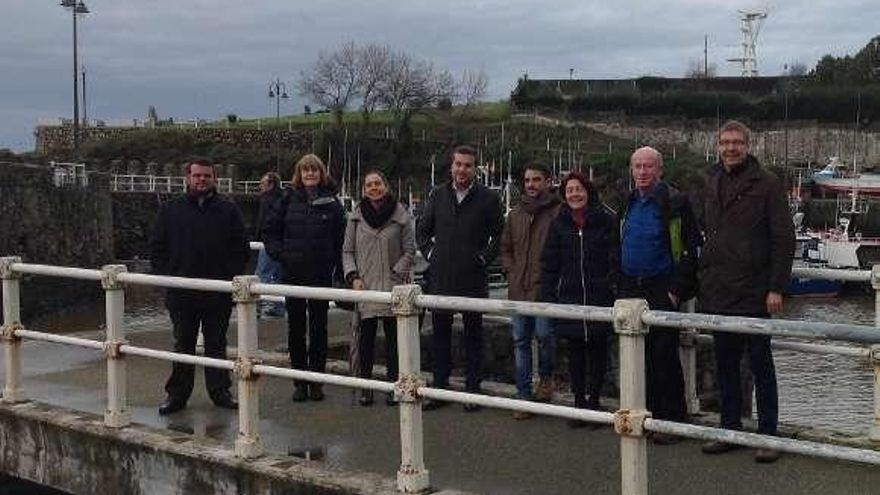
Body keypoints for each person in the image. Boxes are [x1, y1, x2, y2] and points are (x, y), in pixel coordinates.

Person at [699, 120, 795, 463]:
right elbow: (708, 232)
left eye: (737, 142)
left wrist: (776, 287)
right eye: (725, 142)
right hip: (720, 289)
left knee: (760, 365)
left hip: (756, 291)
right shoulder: (711, 179)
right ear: (718, 144)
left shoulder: (767, 183)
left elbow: (784, 238)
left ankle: (769, 436)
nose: (730, 148)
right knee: (724, 365)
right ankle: (730, 430)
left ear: (748, 145)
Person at [150, 158, 248, 415]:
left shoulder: (228, 210)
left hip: (217, 292)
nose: (201, 180)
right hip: (181, 292)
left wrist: (228, 277)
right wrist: (168, 277)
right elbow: (157, 248)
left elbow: (241, 247)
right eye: (197, 175)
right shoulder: (170, 210)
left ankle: (220, 392)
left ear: (214, 178)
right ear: (187, 177)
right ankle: (177, 395)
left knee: (217, 343)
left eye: (206, 176)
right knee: (183, 343)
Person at [618, 146, 702, 444]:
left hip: (662, 286)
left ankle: (672, 421)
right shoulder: (628, 200)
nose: (642, 172)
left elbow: (692, 248)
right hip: (632, 286)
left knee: (664, 355)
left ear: (660, 170)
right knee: (639, 357)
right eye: (637, 166)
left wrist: (676, 291)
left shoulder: (675, 201)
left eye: (648, 167)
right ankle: (649, 416)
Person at [416, 144, 504, 412]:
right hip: (441, 276)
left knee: (472, 338)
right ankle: (440, 390)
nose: (462, 169)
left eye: (467, 165)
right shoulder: (438, 195)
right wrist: (431, 254)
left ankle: (472, 393)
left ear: (474, 168)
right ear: (451, 167)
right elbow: (422, 231)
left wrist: (482, 259)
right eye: (458, 164)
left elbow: (499, 236)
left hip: (472, 278)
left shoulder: (488, 198)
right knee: (440, 337)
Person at [263, 154, 346, 403]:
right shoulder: (287, 199)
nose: (310, 174)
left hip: (320, 274)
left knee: (319, 329)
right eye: (305, 170)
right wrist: (282, 255)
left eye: (314, 170)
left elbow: (342, 239)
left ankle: (317, 382)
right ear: (299, 174)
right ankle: (299, 382)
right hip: (294, 273)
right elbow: (269, 230)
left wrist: (338, 267)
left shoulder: (332, 203)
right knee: (296, 329)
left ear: (321, 173)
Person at [540, 172, 618, 428]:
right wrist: (549, 294)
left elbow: (615, 256)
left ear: (588, 191)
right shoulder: (559, 222)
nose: (575, 194)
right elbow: (550, 261)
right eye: (570, 190)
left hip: (599, 297)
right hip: (570, 296)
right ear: (564, 194)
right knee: (574, 356)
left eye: (579, 189)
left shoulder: (606, 219)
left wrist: (611, 285)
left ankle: (594, 404)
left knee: (598, 354)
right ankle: (578, 406)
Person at [343, 170, 416, 406]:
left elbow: (410, 250)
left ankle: (394, 386)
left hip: (393, 287)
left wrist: (397, 272)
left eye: (378, 183)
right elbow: (347, 251)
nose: (374, 188)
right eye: (369, 185)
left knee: (395, 342)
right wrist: (353, 276)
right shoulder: (355, 217)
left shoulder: (401, 215)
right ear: (364, 190)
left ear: (386, 186)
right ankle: (366, 387)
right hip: (366, 287)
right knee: (365, 341)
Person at [500, 163, 561, 420]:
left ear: (548, 182)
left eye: (537, 180)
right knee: (520, 342)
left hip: (544, 289)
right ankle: (523, 396)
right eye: (527, 180)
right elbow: (505, 248)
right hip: (518, 288)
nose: (531, 185)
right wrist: (510, 271)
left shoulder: (558, 212)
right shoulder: (514, 214)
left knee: (545, 336)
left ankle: (546, 379)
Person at [254, 172, 285, 317]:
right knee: (276, 275)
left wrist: (259, 237)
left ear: (270, 184)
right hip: (279, 243)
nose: (260, 186)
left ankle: (265, 307)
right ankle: (276, 306)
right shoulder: (282, 199)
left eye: (263, 183)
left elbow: (263, 222)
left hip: (268, 243)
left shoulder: (267, 199)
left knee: (264, 275)